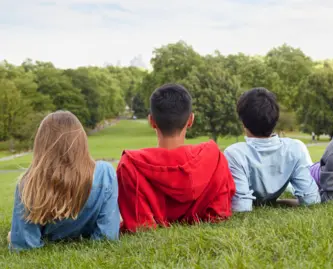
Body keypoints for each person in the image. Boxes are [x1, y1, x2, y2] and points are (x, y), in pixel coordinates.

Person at [117, 83, 235, 232]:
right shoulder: (214, 157)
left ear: (151, 121)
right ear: (191, 120)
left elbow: (139, 225)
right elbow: (220, 211)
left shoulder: (130, 165)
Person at [8, 111, 119, 250]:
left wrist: (12, 236)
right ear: (82, 141)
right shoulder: (105, 173)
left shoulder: (29, 183)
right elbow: (108, 236)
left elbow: (24, 245)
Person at [224, 88, 320, 212]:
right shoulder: (295, 148)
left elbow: (242, 208)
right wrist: (278, 203)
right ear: (275, 119)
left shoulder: (234, 154)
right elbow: (311, 200)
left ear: (243, 123)